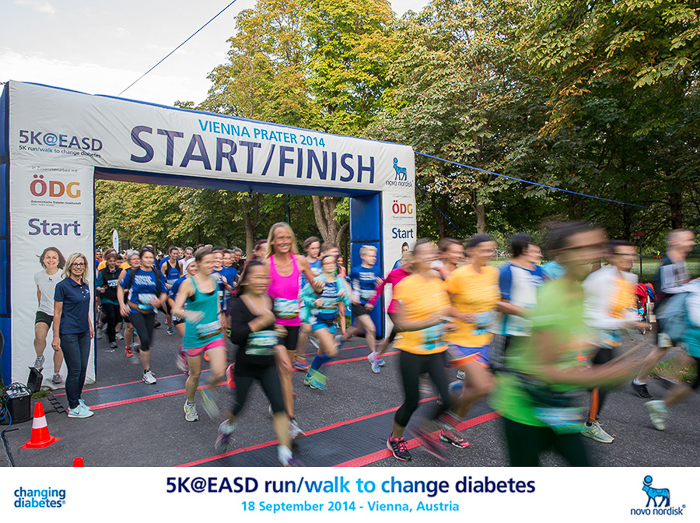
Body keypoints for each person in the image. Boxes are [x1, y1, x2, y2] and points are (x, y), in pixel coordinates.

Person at [491, 222, 633, 466]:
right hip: (524, 410)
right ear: (561, 255)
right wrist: (604, 375)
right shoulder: (552, 297)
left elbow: (574, 349)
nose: (590, 254)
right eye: (580, 249)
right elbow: (542, 369)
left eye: (595, 246)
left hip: (560, 408)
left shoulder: (579, 294)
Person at [215, 261, 301, 466]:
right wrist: (259, 322)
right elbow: (235, 336)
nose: (262, 281)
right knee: (239, 407)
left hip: (267, 364)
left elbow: (272, 329)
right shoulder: (239, 304)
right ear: (246, 280)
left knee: (279, 407)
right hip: (246, 366)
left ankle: (285, 455)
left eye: (265, 277)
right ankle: (227, 427)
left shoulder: (269, 300)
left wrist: (277, 333)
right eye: (257, 277)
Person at [387, 239, 455, 461]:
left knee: (447, 399)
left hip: (436, 350)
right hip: (411, 352)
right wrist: (429, 322)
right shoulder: (405, 285)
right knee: (412, 401)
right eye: (424, 253)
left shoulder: (438, 280)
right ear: (415, 258)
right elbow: (400, 323)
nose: (429, 256)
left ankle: (425, 429)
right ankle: (395, 438)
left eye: (431, 252)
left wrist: (448, 322)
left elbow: (444, 309)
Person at [582, 240, 650, 442]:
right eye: (624, 254)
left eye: (632, 254)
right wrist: (625, 322)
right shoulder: (598, 280)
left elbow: (623, 308)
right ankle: (591, 424)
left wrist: (633, 319)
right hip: (590, 337)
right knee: (603, 381)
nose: (630, 258)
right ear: (611, 257)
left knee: (595, 380)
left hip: (609, 337)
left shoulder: (629, 278)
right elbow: (590, 316)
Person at [264, 222, 324, 439]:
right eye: (280, 238)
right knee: (286, 369)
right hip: (274, 326)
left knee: (284, 372)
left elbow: (315, 288)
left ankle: (278, 402)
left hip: (293, 324)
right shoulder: (266, 265)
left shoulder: (299, 261)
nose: (284, 241)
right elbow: (255, 294)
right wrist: (269, 318)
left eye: (288, 237)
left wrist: (319, 289)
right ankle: (290, 420)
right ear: (272, 241)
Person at [443, 234, 502, 448]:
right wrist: (461, 315)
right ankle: (441, 413)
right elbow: (442, 305)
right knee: (483, 387)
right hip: (461, 340)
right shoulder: (459, 276)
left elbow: (495, 302)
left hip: (484, 340)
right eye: (485, 250)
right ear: (472, 251)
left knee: (472, 392)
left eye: (491, 250)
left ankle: (448, 428)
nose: (489, 254)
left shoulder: (493, 273)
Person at [632, 229, 696, 398]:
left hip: (677, 315)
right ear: (675, 241)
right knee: (661, 349)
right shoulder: (668, 262)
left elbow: (679, 284)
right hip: (667, 316)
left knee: (687, 345)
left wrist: (690, 283)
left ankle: (668, 376)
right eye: (688, 239)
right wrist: (690, 286)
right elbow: (667, 288)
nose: (692, 243)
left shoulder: (679, 259)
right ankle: (639, 381)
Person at [172, 247, 227, 421]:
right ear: (198, 264)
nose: (212, 265)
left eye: (214, 261)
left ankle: (208, 391)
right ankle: (190, 403)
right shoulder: (189, 284)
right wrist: (190, 314)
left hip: (213, 333)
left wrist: (219, 313)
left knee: (220, 371)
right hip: (195, 335)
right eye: (208, 262)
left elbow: (215, 299)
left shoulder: (215, 278)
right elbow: (176, 309)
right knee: (195, 375)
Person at [645, 279, 700, 430]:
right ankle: (661, 405)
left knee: (695, 383)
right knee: (694, 383)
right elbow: (696, 318)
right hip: (697, 337)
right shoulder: (696, 289)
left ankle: (661, 406)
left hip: (695, 337)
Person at [491, 233, 547, 371]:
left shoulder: (539, 271)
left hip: (533, 332)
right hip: (510, 333)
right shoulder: (507, 270)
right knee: (507, 374)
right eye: (536, 251)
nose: (540, 255)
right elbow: (499, 304)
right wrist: (527, 313)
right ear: (524, 250)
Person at [300, 254, 352, 390]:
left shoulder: (339, 281)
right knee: (332, 351)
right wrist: (314, 301)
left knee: (322, 353)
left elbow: (347, 301)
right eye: (326, 263)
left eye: (332, 263)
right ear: (322, 266)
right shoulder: (317, 280)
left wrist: (343, 297)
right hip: (317, 319)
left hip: (331, 321)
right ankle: (316, 376)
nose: (330, 265)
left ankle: (309, 377)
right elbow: (303, 295)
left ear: (335, 265)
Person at [52, 253, 94, 418]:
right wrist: (56, 336)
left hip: (84, 332)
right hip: (68, 332)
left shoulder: (85, 285)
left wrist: (90, 325)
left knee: (83, 369)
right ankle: (73, 407)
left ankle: (77, 399)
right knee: (75, 369)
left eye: (81, 264)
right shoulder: (62, 286)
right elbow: (57, 313)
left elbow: (85, 308)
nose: (78, 267)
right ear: (69, 266)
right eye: (75, 264)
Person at [118, 246, 168, 384]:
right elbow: (121, 287)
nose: (149, 260)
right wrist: (122, 305)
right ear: (141, 259)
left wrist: (160, 301)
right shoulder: (133, 273)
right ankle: (147, 372)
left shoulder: (157, 274)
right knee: (144, 339)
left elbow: (164, 292)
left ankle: (138, 348)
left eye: (151, 257)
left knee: (148, 342)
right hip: (134, 310)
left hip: (150, 311)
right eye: (146, 257)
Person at [367, 251, 413, 373]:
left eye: (412, 265)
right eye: (407, 264)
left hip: (408, 311)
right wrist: (372, 301)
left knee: (392, 337)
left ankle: (376, 356)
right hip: (394, 310)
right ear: (402, 262)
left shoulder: (415, 275)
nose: (409, 267)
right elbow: (381, 285)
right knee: (408, 332)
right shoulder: (394, 273)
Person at [33, 247, 66, 385]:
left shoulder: (63, 275)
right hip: (44, 310)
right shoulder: (38, 276)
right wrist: (40, 306)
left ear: (58, 260)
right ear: (43, 259)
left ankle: (56, 373)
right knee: (39, 336)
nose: (50, 260)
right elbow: (39, 292)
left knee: (58, 344)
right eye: (48, 257)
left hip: (61, 312)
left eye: (54, 257)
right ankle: (39, 358)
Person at [344, 245, 382, 362]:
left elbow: (378, 288)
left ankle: (342, 339)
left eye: (374, 256)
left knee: (357, 329)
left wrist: (379, 286)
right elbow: (345, 282)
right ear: (363, 256)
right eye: (370, 256)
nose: (373, 258)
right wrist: (351, 296)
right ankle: (373, 356)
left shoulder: (376, 270)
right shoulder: (356, 271)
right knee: (371, 329)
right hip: (358, 303)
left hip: (368, 304)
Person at [294, 236, 323, 371]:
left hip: (318, 299)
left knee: (313, 328)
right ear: (306, 249)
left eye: (317, 248)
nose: (316, 250)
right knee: (305, 328)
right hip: (303, 299)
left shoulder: (321, 263)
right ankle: (299, 356)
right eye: (313, 248)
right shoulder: (302, 262)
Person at [96, 251, 124, 349]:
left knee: (118, 318)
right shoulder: (103, 272)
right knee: (111, 317)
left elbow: (125, 283)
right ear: (107, 262)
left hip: (117, 297)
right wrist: (100, 289)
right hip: (107, 297)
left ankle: (104, 328)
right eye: (110, 261)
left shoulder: (120, 271)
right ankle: (112, 339)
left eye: (114, 261)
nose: (112, 263)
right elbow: (98, 285)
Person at [161, 245, 184, 335]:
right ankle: (169, 327)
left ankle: (179, 322)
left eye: (177, 254)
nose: (175, 255)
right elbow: (161, 278)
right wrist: (166, 284)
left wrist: (180, 282)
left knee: (179, 306)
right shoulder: (165, 265)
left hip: (177, 288)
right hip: (168, 289)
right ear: (169, 254)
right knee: (169, 309)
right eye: (173, 253)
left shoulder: (180, 264)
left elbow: (181, 274)